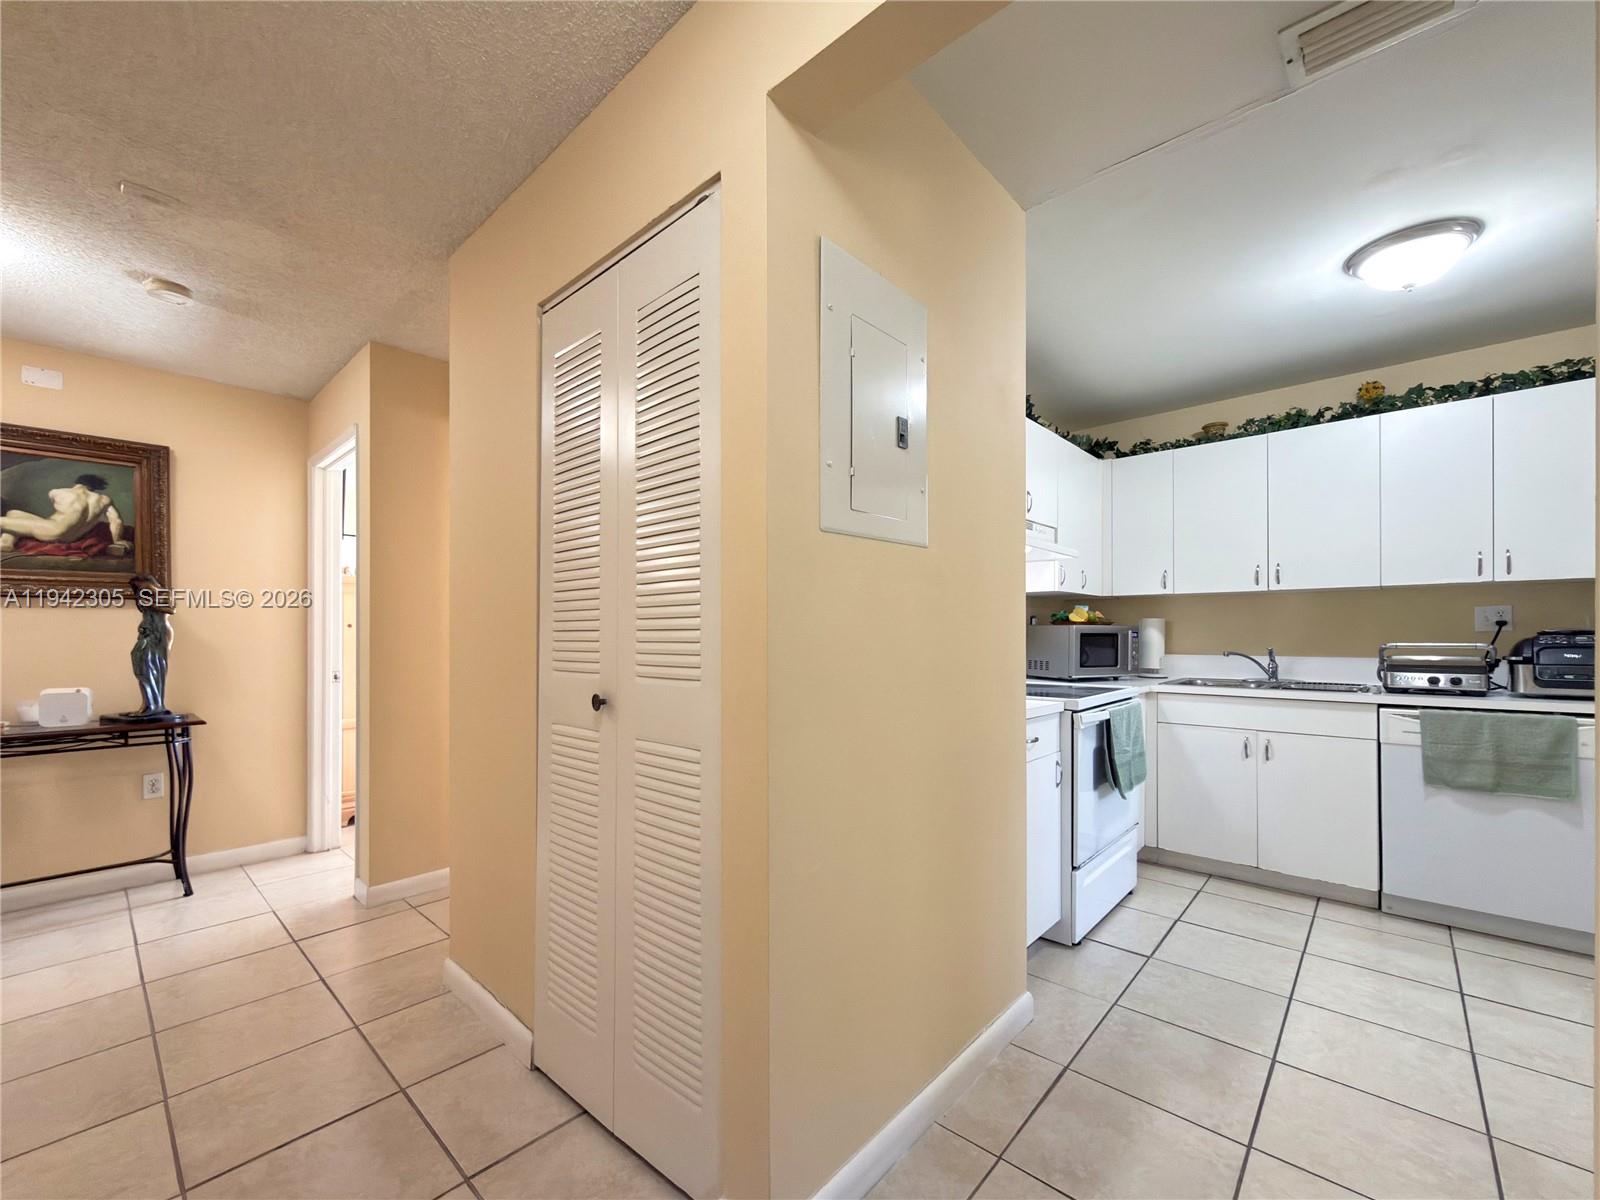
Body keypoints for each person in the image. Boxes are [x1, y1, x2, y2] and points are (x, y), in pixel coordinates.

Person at [0, 473, 131, 556]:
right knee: (14, 513)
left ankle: (5, 542)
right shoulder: (104, 499)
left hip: (51, 530)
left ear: (76, 483)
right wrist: (117, 540)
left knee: (4, 520)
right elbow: (117, 521)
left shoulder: (57, 492)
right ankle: (6, 543)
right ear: (94, 487)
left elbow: (56, 507)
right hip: (70, 537)